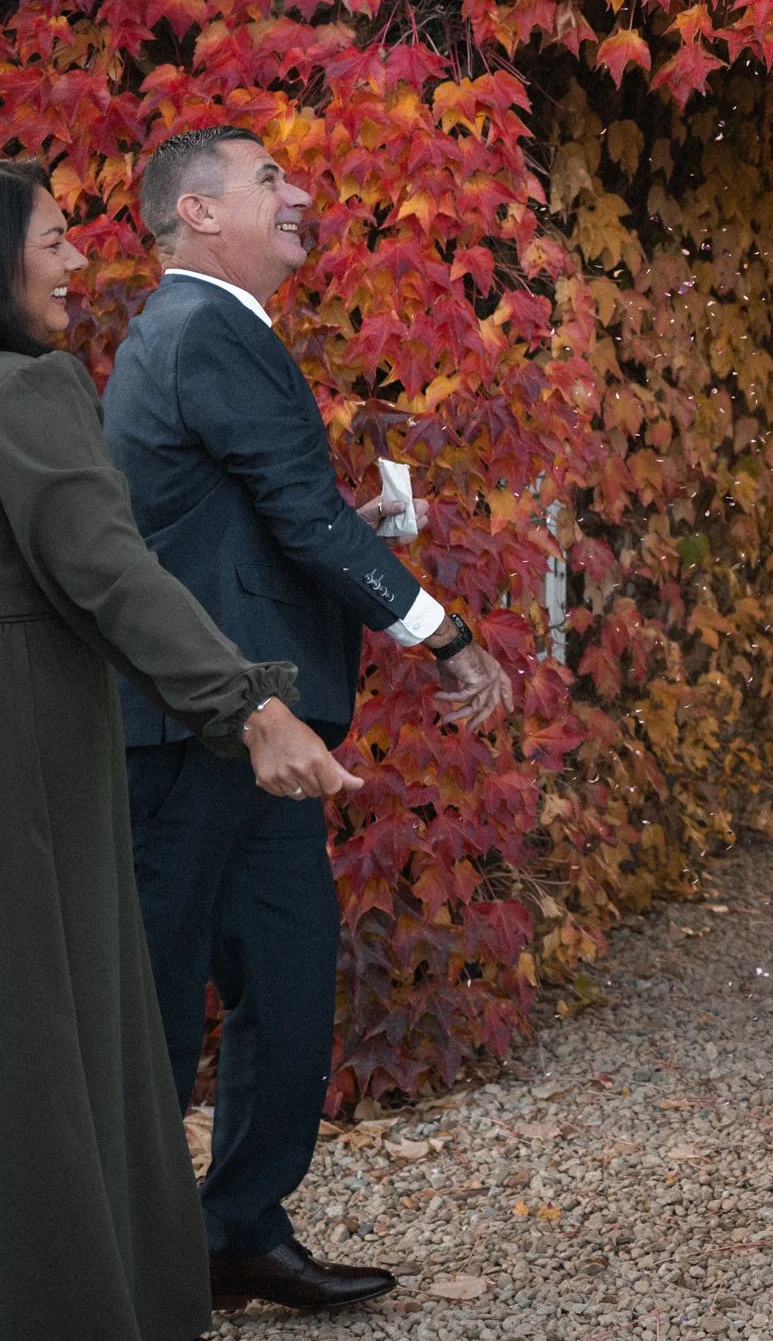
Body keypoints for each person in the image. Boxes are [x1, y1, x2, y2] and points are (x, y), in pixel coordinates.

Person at [105, 126, 514, 1314]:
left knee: (286, 983)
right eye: (268, 180)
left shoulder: (221, 335)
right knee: (164, 994)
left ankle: (236, 1229)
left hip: (266, 735)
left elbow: (243, 522)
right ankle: (133, 1253)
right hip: (197, 727)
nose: (299, 195)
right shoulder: (199, 327)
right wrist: (440, 630)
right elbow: (292, 511)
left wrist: (370, 530)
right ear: (195, 213)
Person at [0, 160, 358, 1341]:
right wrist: (250, 704)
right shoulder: (34, 392)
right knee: (70, 1033)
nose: (73, 260)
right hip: (49, 752)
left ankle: (229, 1229)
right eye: (52, 238)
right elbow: (112, 575)